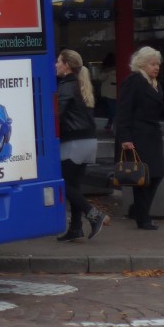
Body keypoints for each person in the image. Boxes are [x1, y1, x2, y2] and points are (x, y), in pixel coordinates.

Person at [117, 46, 164, 230]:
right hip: (138, 136)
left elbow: (157, 109)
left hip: (153, 135)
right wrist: (125, 137)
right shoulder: (134, 81)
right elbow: (124, 111)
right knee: (144, 176)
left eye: (158, 64)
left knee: (156, 175)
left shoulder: (154, 83)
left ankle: (138, 210)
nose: (156, 67)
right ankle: (143, 218)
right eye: (152, 64)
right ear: (142, 64)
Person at [55, 49, 107, 241]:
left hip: (73, 142)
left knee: (62, 184)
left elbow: (57, 115)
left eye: (58, 61)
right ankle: (75, 228)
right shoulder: (81, 84)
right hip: (89, 141)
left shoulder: (66, 86)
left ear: (67, 65)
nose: (56, 65)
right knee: (74, 186)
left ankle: (93, 214)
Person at [98, 52, 118, 134]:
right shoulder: (117, 69)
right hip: (113, 93)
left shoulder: (106, 71)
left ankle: (110, 125)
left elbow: (100, 78)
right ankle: (110, 125)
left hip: (108, 93)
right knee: (113, 110)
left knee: (112, 110)